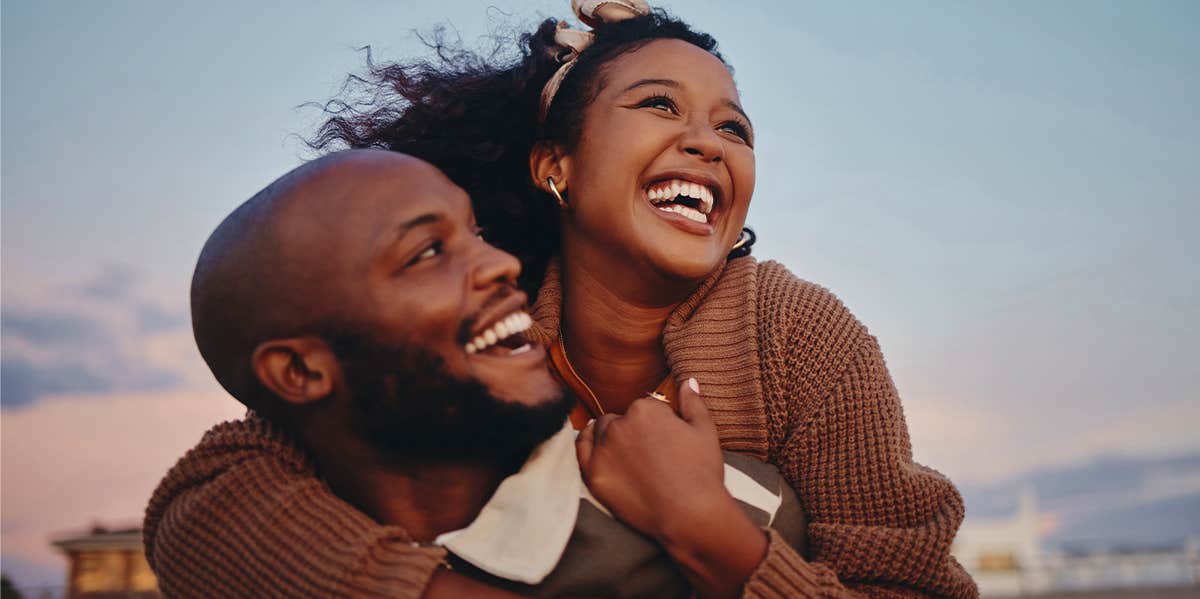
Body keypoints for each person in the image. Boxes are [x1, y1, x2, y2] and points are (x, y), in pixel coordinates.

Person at [148, 1, 979, 598]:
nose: (706, 141)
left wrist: (710, 530)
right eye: (659, 104)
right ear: (556, 166)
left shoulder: (798, 335)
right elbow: (205, 505)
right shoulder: (478, 325)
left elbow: (912, 583)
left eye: (736, 129)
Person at [145, 149, 806, 598]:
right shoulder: (250, 530)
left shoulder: (741, 507)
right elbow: (193, 504)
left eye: (476, 230)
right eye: (428, 251)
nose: (501, 265)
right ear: (298, 371)